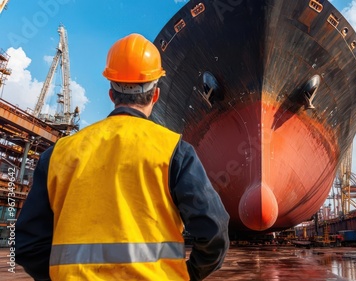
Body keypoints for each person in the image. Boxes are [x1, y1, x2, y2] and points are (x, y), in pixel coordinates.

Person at [15, 33, 230, 281]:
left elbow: (27, 244)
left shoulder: (59, 153)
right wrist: (189, 274)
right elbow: (214, 231)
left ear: (111, 94)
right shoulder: (175, 151)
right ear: (156, 95)